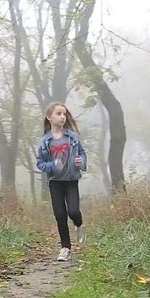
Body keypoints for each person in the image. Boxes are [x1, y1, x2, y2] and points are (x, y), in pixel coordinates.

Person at [36, 102, 87, 261]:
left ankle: (79, 224)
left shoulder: (72, 137)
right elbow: (40, 162)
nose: (63, 117)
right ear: (49, 117)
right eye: (58, 114)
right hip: (55, 182)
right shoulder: (45, 141)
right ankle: (65, 248)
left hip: (71, 180)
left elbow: (82, 154)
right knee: (60, 214)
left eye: (64, 114)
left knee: (73, 212)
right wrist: (52, 165)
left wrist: (81, 162)